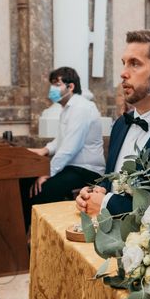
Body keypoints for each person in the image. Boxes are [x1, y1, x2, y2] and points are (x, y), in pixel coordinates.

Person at [76, 30, 150, 216]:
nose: (123, 73)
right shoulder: (120, 125)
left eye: (135, 64)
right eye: (124, 63)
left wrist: (106, 204)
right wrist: (94, 193)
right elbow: (112, 182)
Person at [23, 67, 105, 225]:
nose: (52, 88)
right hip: (73, 167)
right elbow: (60, 141)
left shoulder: (81, 107)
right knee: (27, 182)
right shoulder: (67, 109)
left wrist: (47, 173)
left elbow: (69, 149)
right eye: (52, 84)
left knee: (43, 189)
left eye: (57, 83)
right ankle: (24, 232)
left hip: (87, 170)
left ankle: (37, 234)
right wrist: (44, 150)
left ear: (71, 86)